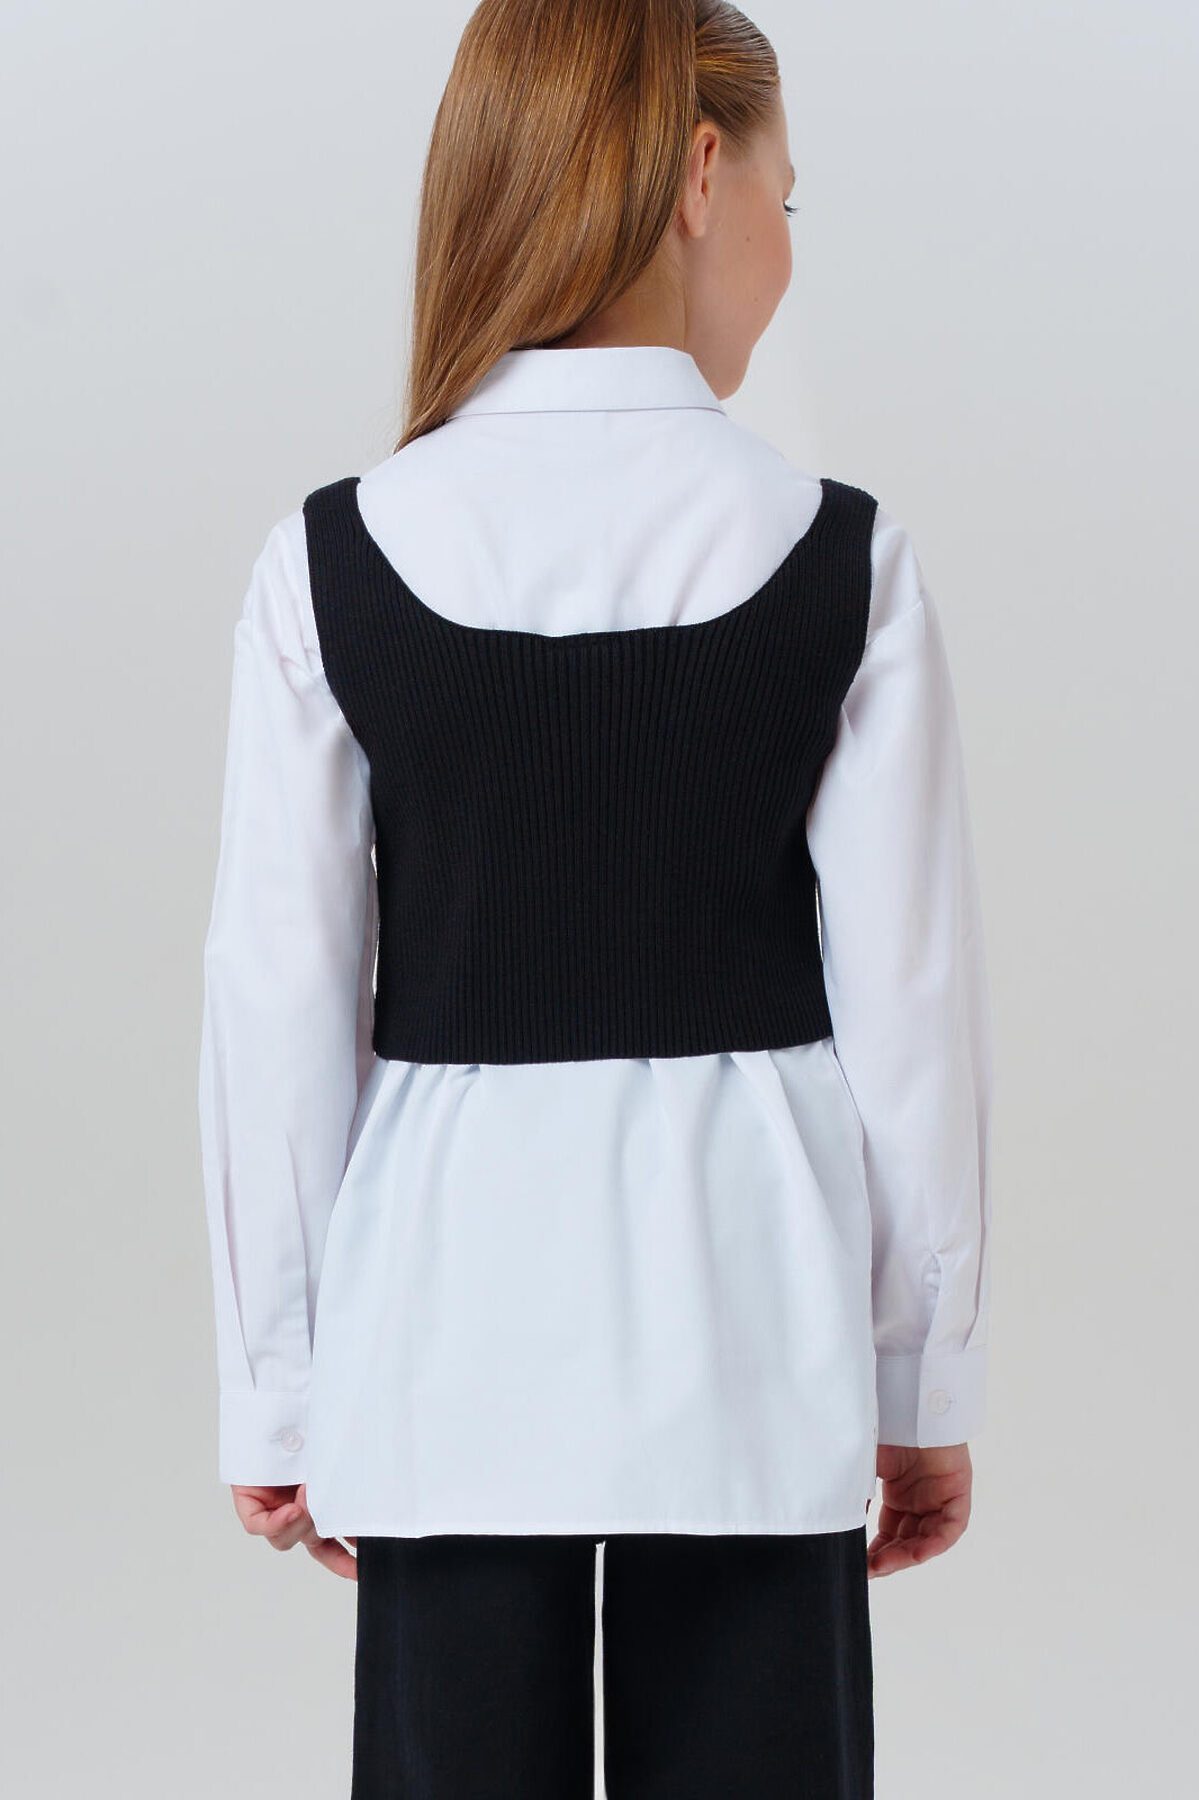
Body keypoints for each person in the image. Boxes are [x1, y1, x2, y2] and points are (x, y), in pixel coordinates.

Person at [197, 2, 994, 1795]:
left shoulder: (330, 561)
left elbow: (280, 1004)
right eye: (792, 193)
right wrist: (917, 1386)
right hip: (759, 1340)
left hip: (441, 1349)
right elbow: (913, 1016)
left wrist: (282, 1384)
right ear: (703, 174)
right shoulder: (843, 559)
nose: (790, 239)